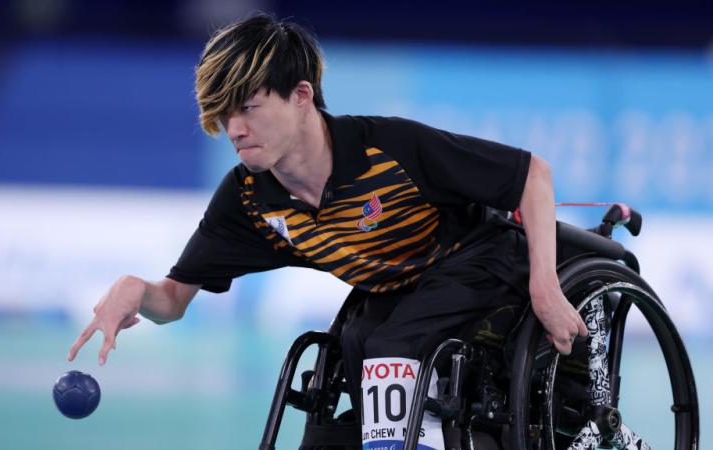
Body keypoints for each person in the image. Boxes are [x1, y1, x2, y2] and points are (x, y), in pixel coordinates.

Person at [67, 13, 588, 448]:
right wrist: (138, 290)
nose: (235, 130)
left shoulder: (390, 147)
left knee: (392, 347)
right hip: (396, 292)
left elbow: (531, 175)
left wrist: (545, 285)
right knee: (355, 344)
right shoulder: (249, 197)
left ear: (301, 95)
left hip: (479, 262)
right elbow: (175, 299)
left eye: (248, 107)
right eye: (225, 115)